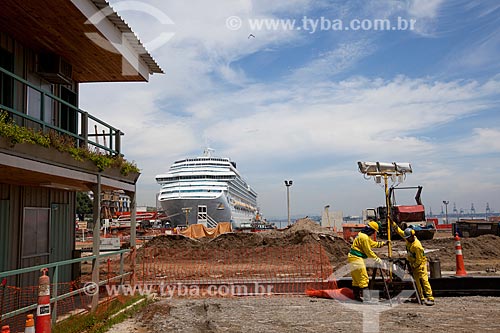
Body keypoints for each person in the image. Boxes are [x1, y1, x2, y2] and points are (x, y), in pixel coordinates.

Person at [392, 221, 435, 306]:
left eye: (408, 238)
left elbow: (419, 260)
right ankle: (420, 297)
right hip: (413, 264)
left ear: (412, 236)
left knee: (424, 280)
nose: (406, 239)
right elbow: (400, 232)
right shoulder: (409, 240)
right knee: (417, 282)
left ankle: (430, 298)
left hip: (420, 265)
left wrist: (413, 266)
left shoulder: (417, 246)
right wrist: (393, 223)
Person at [348, 221, 388, 302]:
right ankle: (367, 299)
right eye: (373, 232)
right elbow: (368, 252)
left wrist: (382, 244)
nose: (373, 234)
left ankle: (356, 297)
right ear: (371, 230)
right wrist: (378, 260)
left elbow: (371, 243)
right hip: (357, 258)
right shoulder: (364, 238)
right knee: (364, 278)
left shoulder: (361, 235)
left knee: (356, 279)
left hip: (352, 257)